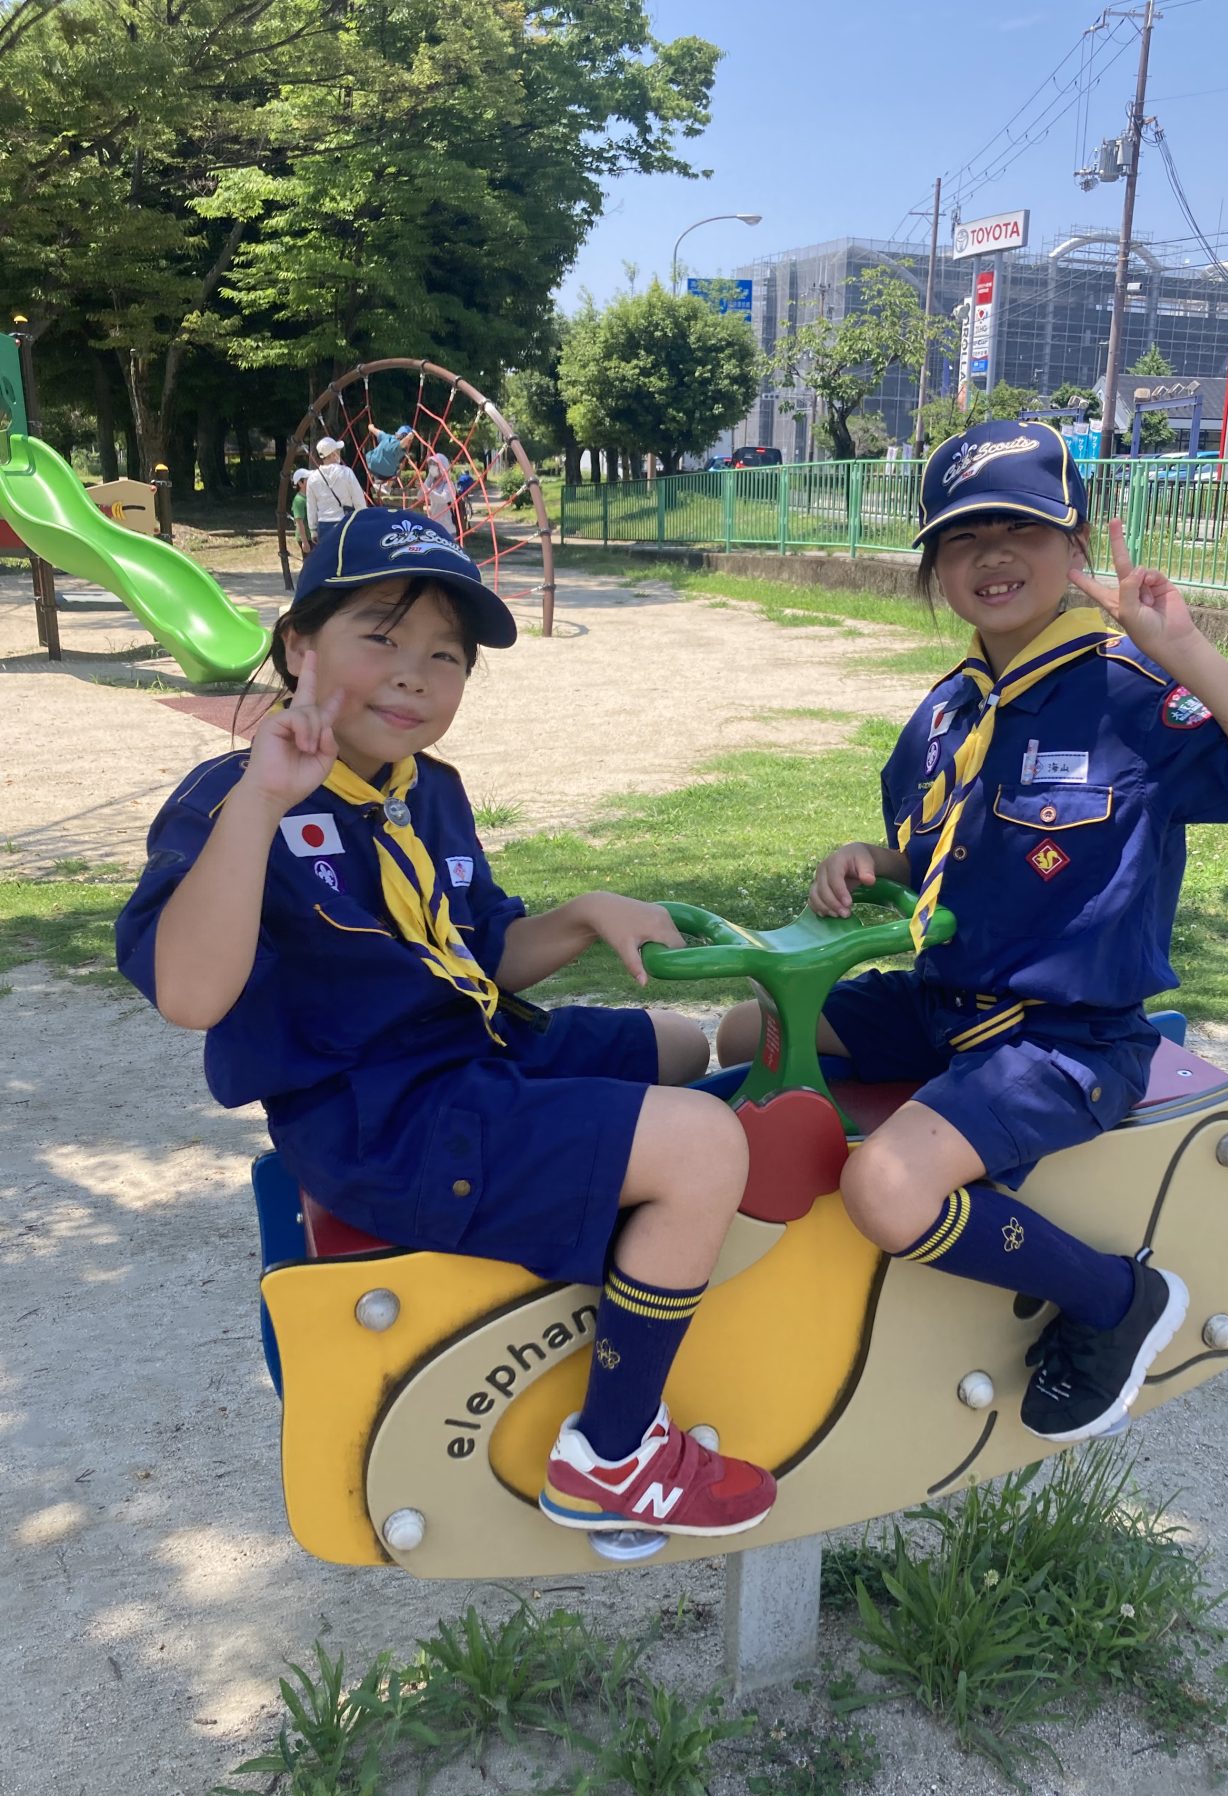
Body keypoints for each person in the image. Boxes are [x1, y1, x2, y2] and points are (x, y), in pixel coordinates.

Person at [116, 507, 776, 1540]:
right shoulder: (229, 804)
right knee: (702, 1143)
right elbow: (190, 996)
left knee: (683, 1045)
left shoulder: (426, 792)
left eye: (446, 655)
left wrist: (585, 914)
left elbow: (481, 953)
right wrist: (261, 802)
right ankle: (614, 1455)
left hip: (472, 1052)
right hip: (385, 1124)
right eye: (380, 635)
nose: (414, 675)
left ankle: (650, 1226)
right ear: (297, 646)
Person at [717, 420, 1228, 1445]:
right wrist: (873, 860)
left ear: (1077, 547)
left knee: (886, 1188)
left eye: (1022, 529)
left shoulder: (1130, 692)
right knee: (751, 1030)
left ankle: (1113, 1299)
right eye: (963, 537)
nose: (993, 555)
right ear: (934, 569)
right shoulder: (944, 715)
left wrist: (1182, 649)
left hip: (1065, 1039)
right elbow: (942, 857)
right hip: (943, 1006)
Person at [306, 436, 367, 539]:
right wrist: (363, 520)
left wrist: (313, 529)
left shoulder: (312, 478)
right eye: (337, 450)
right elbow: (358, 499)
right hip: (345, 521)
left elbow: (311, 506)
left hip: (324, 524)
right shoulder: (346, 472)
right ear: (333, 453)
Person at [289, 469, 312, 557]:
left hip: (311, 536)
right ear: (300, 483)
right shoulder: (299, 500)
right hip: (307, 537)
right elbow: (299, 522)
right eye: (307, 479)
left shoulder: (308, 497)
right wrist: (304, 542)